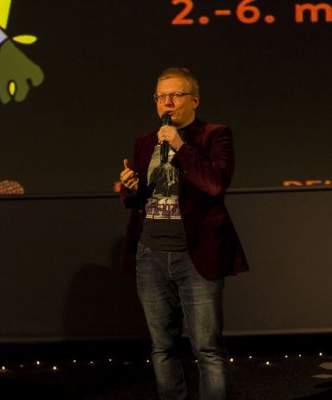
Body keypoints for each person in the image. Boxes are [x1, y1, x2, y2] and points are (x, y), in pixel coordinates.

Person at [119, 67, 249, 400]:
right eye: (161, 96)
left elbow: (215, 184)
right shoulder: (146, 141)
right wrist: (130, 187)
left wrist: (180, 145)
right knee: (162, 346)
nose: (167, 102)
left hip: (196, 254)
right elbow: (139, 198)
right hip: (150, 254)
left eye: (175, 95)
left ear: (194, 100)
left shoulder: (215, 135)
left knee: (207, 347)